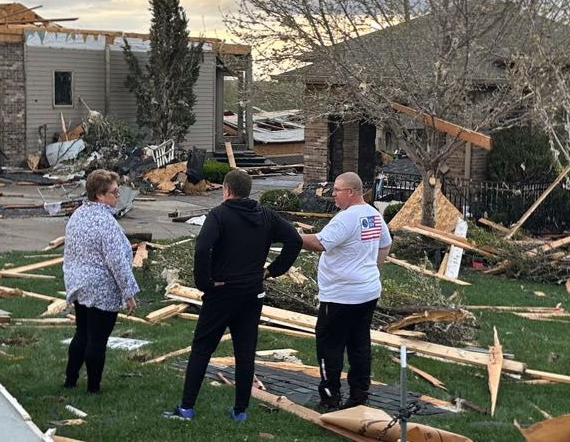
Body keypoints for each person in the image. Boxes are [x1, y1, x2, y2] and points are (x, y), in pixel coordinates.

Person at [164, 169, 303, 422]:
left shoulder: (219, 215)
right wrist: (272, 271)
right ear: (247, 191)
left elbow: (203, 247)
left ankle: (186, 408)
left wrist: (204, 283)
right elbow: (294, 239)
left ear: (226, 190)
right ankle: (240, 411)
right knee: (245, 352)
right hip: (251, 293)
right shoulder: (265, 216)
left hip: (222, 292)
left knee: (202, 349)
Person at [301, 171, 391, 410]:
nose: (333, 195)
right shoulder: (373, 215)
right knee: (359, 344)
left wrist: (290, 236)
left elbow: (319, 243)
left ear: (351, 192)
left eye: (337, 190)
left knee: (330, 346)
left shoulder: (347, 218)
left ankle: (330, 397)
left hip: (341, 296)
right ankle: (359, 394)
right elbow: (386, 244)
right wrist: (370, 267)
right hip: (367, 292)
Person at [62, 169, 139, 393]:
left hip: (79, 284)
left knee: (82, 332)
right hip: (101, 287)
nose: (118, 196)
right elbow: (117, 261)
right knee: (97, 339)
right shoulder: (106, 223)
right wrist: (128, 293)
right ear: (99, 195)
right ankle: (93, 388)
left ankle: (70, 380)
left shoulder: (78, 215)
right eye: (114, 192)